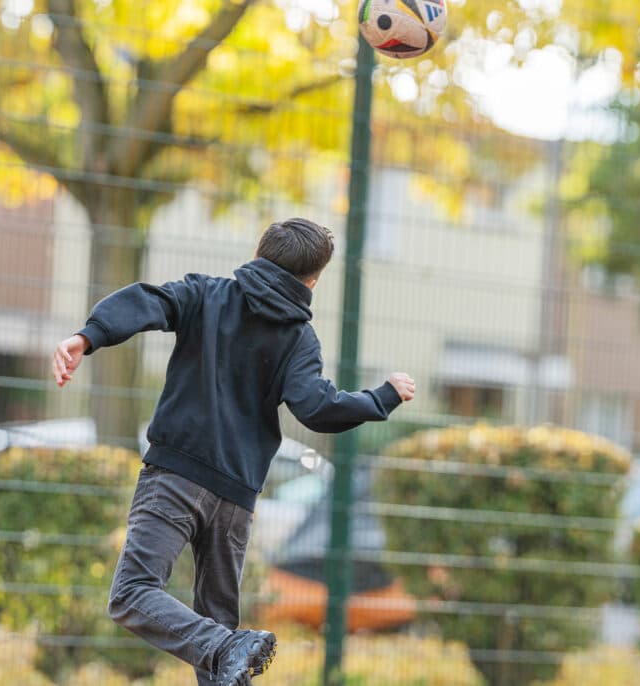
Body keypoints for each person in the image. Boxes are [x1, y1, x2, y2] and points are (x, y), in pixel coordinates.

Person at [52, 218, 416, 686]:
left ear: (258, 253)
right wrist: (381, 396)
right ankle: (226, 645)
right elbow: (317, 407)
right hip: (236, 499)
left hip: (175, 478)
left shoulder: (207, 295)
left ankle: (226, 644)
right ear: (313, 280)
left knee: (134, 595)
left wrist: (88, 335)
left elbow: (151, 300)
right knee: (223, 648)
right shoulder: (299, 340)